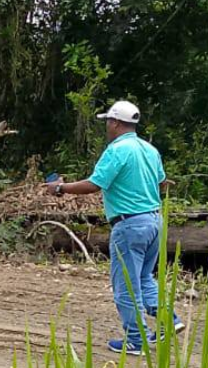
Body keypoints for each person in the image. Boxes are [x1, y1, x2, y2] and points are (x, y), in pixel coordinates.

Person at [44, 101, 184, 355]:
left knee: (126, 286)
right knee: (143, 277)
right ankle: (169, 319)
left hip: (129, 224)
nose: (107, 126)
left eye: (108, 121)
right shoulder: (149, 149)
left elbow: (95, 184)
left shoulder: (117, 150)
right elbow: (162, 182)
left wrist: (60, 188)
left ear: (115, 123)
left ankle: (137, 340)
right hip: (154, 220)